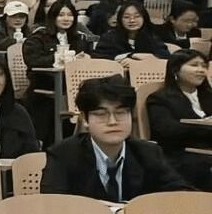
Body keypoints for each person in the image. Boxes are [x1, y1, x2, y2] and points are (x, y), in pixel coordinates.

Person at [44, 76, 195, 207]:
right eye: (101, 114)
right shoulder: (63, 154)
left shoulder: (148, 152)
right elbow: (53, 204)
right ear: (84, 119)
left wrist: (137, 211)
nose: (112, 122)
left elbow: (184, 194)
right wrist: (115, 212)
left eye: (121, 113)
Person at [22, 0, 93, 144]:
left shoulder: (80, 38)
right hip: (45, 88)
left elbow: (91, 58)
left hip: (74, 89)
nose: (66, 18)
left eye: (70, 15)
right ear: (53, 17)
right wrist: (60, 58)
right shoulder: (38, 37)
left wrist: (86, 58)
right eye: (61, 15)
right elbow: (33, 61)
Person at [146, 49, 212, 190]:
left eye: (204, 66)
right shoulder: (160, 98)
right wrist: (205, 127)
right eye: (194, 65)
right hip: (181, 155)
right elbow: (167, 130)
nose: (201, 70)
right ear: (175, 69)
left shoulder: (208, 96)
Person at [92, 0, 170, 62]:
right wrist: (123, 58)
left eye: (137, 16)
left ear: (144, 18)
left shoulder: (152, 37)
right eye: (126, 17)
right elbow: (98, 58)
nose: (132, 20)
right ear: (120, 19)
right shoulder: (109, 38)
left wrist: (151, 58)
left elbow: (166, 57)